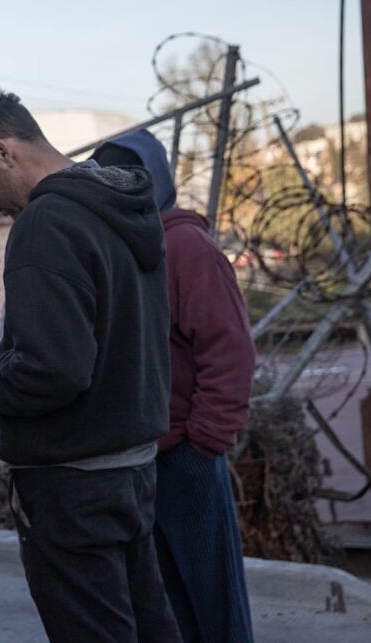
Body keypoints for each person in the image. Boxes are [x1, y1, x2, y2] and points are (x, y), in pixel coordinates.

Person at [0, 91, 181, 642]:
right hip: (133, 469)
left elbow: (53, 371)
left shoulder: (45, 224)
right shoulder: (124, 207)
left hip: (73, 486)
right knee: (150, 625)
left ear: (2, 151)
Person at [94, 130, 255, 643]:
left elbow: (229, 352)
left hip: (184, 453)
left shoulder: (187, 246)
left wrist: (202, 442)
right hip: (136, 458)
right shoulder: (112, 247)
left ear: (151, 182)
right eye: (104, 179)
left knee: (214, 604)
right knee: (161, 604)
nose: (115, 189)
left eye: (127, 177)